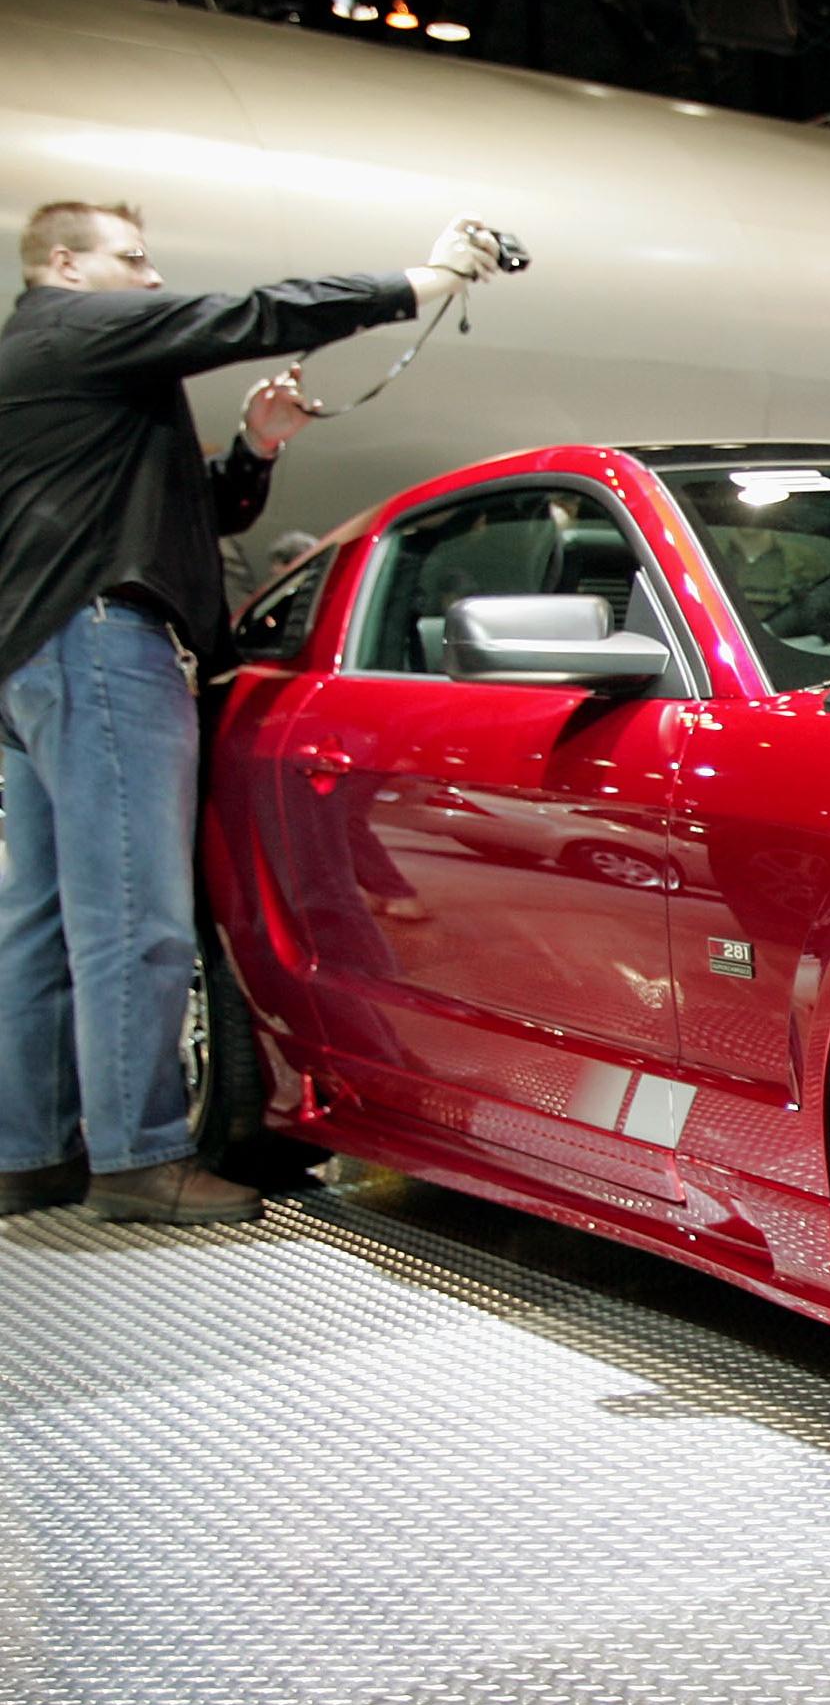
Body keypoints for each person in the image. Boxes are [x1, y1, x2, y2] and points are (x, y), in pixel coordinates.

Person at [0, 201, 506, 1226]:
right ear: (63, 263)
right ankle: (139, 1158)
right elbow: (253, 313)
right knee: (132, 919)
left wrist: (253, 451)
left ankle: (29, 1149)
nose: (148, 281)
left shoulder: (56, 367)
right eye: (131, 259)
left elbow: (182, 512)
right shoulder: (74, 326)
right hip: (104, 646)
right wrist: (424, 282)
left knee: (42, 918)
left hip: (40, 650)